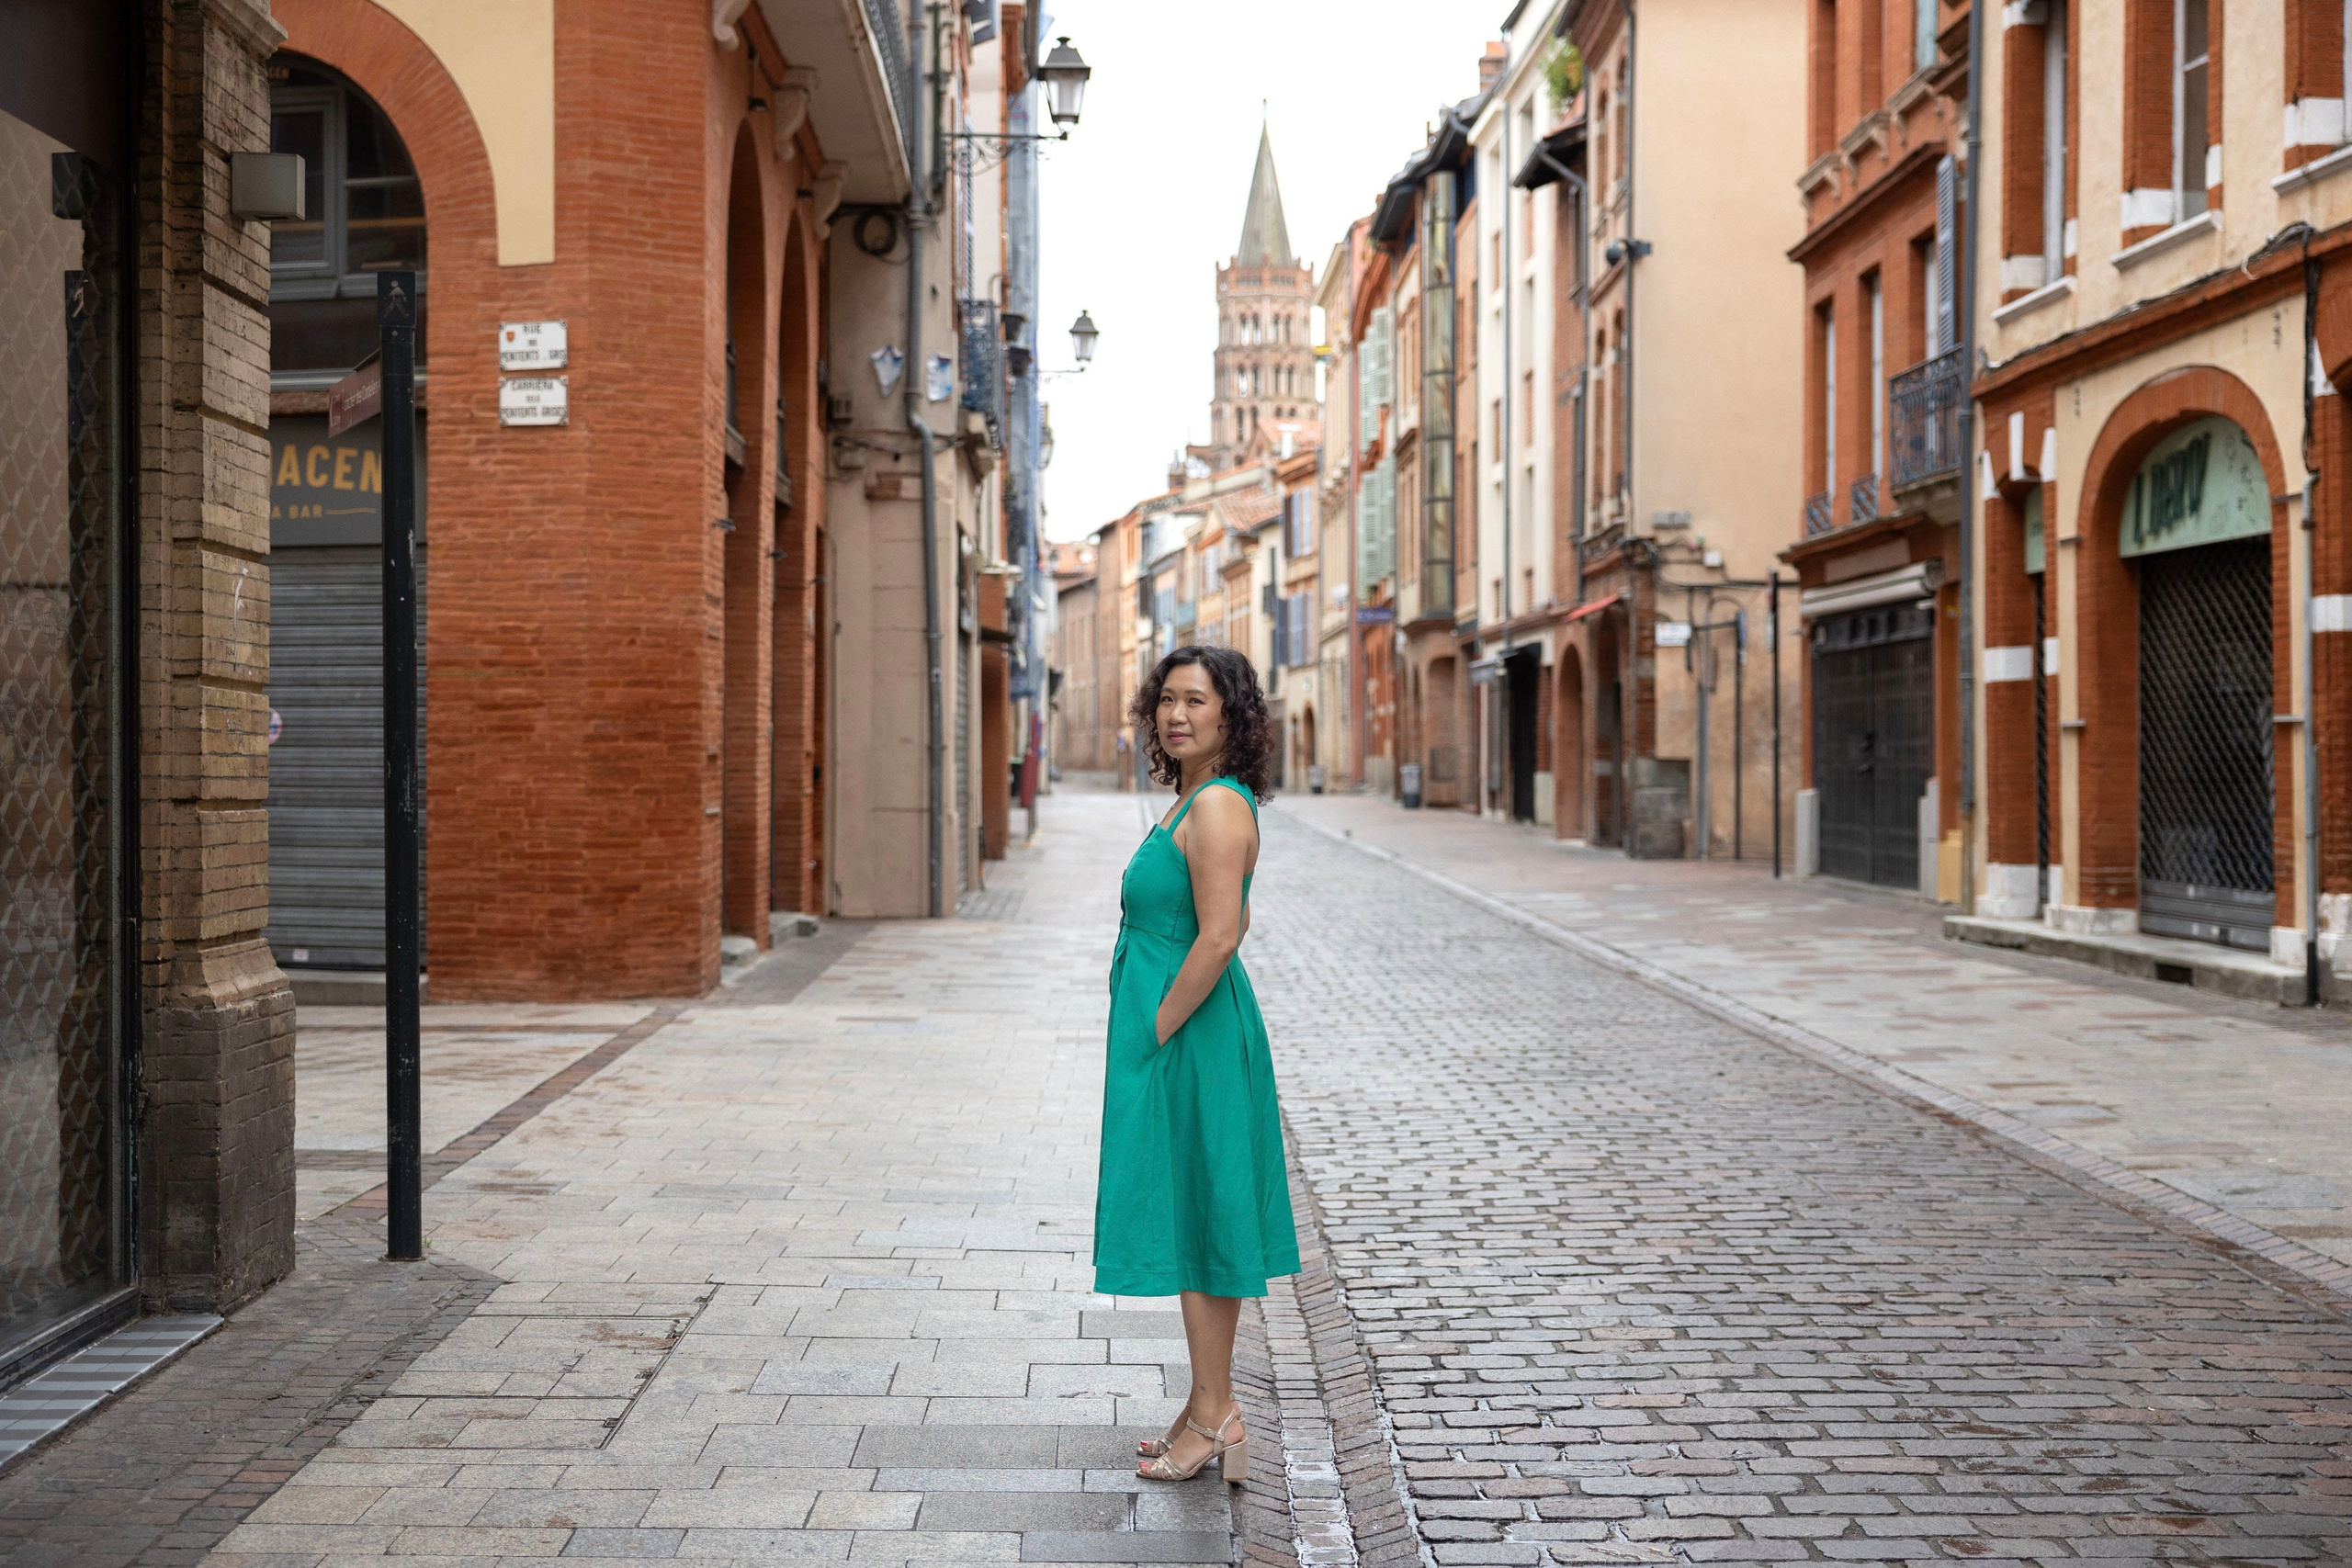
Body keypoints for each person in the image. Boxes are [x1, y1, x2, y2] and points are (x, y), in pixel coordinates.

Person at [1095, 644, 1299, 1484]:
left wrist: (1156, 1028)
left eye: (1197, 702)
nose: (1176, 715)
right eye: (1167, 700)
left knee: (1205, 1221)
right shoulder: (1192, 800)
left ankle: (1215, 1415)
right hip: (1181, 1036)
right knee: (1192, 1216)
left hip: (1192, 1039)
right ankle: (1205, 1403)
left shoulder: (1215, 806)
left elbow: (1222, 933)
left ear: (1231, 716)